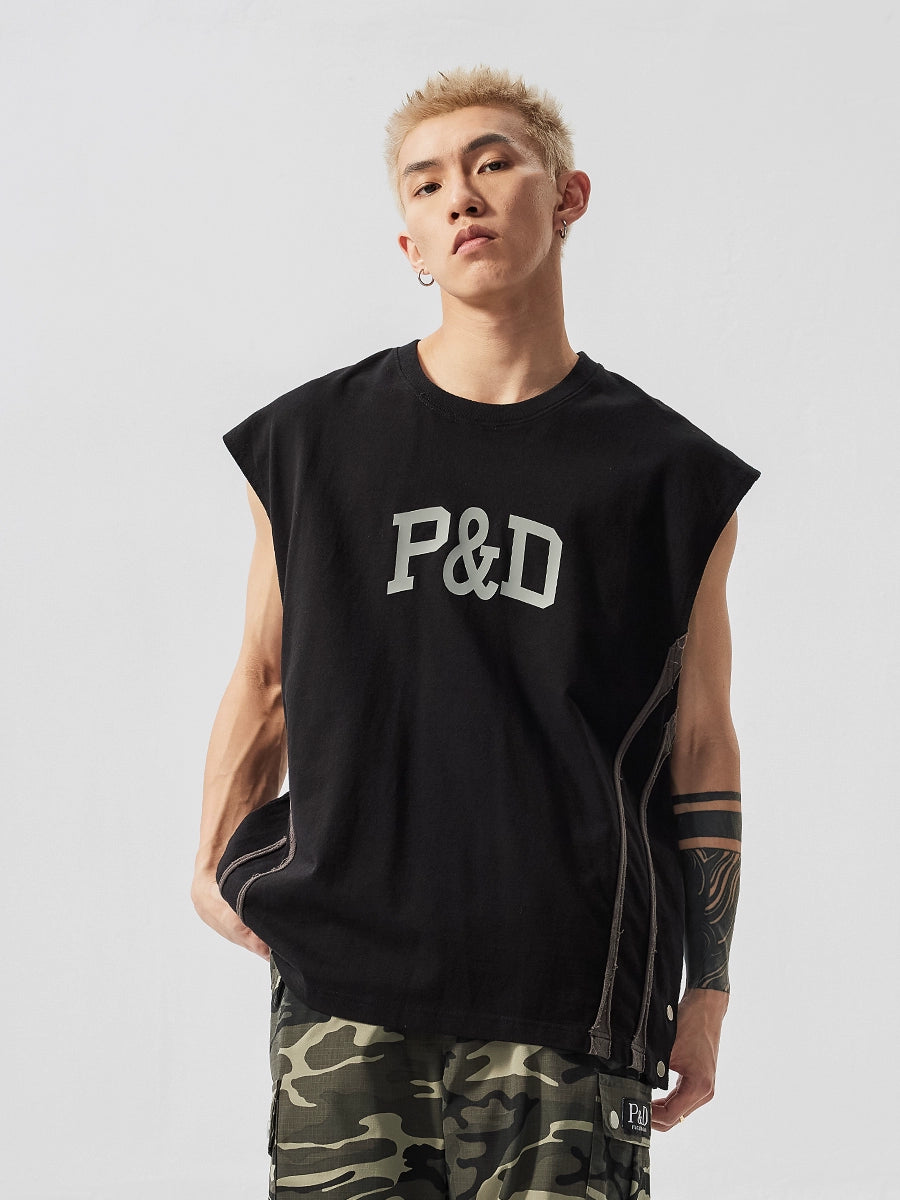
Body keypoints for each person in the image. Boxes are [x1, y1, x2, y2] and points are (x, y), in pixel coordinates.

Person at [191, 64, 761, 1199]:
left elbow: (700, 744)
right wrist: (210, 864)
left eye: (495, 162)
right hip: (346, 984)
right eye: (427, 182)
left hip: (571, 988)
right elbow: (263, 678)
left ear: (568, 196)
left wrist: (707, 990)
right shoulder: (309, 445)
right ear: (408, 239)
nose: (461, 193)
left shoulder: (670, 476)